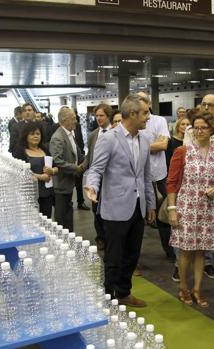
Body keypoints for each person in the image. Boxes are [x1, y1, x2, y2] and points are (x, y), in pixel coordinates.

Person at [84, 94, 156, 307]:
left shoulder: (144, 139)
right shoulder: (109, 138)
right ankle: (107, 298)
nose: (148, 117)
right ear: (132, 114)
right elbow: (96, 169)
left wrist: (150, 203)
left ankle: (124, 293)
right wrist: (92, 186)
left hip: (138, 207)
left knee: (132, 255)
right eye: (145, 113)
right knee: (113, 258)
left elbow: (145, 174)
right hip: (115, 208)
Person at [167, 111, 214, 307]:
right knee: (185, 251)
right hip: (185, 207)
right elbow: (172, 182)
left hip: (208, 209)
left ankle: (197, 289)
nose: (199, 131)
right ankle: (183, 287)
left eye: (203, 127)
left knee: (201, 252)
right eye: (196, 127)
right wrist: (172, 208)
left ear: (212, 130)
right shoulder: (182, 152)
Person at [184, 94, 214, 279]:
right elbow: (188, 154)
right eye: (203, 104)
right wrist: (210, 148)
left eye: (210, 104)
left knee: (208, 228)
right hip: (190, 186)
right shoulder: (190, 129)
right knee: (186, 228)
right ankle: (180, 265)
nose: (206, 107)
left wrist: (208, 149)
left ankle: (208, 263)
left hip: (212, 184)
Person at [137, 91, 173, 260]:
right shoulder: (133, 121)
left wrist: (138, 146)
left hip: (159, 175)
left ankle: (170, 251)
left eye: (143, 100)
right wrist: (152, 145)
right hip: (138, 177)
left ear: (149, 102)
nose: (141, 103)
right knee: (137, 217)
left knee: (163, 216)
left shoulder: (159, 121)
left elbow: (163, 144)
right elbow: (156, 145)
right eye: (137, 101)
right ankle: (136, 258)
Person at [83, 103, 113, 251]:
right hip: (96, 177)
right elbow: (90, 156)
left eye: (102, 115)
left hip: (111, 177)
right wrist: (82, 168)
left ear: (108, 116)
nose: (99, 118)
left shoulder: (115, 132)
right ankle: (100, 237)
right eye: (97, 115)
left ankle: (110, 236)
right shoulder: (93, 135)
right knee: (96, 209)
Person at [50, 106, 85, 232]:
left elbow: (77, 154)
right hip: (61, 184)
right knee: (61, 216)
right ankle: (63, 241)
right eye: (73, 118)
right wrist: (76, 168)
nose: (76, 121)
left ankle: (70, 237)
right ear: (64, 120)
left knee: (68, 213)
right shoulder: (58, 137)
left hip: (69, 181)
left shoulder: (70, 134)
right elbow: (57, 161)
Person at [12, 122, 58, 218]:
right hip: (29, 194)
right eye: (32, 134)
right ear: (26, 136)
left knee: (46, 220)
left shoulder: (44, 149)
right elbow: (19, 171)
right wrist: (41, 177)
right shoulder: (20, 151)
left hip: (47, 193)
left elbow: (56, 167)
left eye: (38, 134)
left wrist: (52, 171)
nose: (36, 136)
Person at [166, 114, 191, 282]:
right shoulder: (178, 149)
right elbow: (172, 178)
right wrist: (172, 207)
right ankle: (178, 267)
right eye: (186, 125)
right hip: (181, 199)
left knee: (200, 246)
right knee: (180, 237)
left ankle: (196, 287)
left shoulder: (213, 152)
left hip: (202, 203)